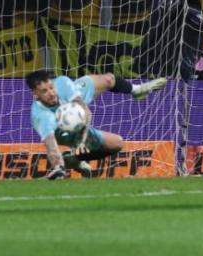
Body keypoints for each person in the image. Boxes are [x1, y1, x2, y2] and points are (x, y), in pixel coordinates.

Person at [25, 69, 167, 179]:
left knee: (108, 79)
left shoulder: (62, 83)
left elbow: (84, 109)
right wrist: (58, 166)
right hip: (63, 133)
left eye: (51, 87)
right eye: (44, 91)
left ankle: (137, 90)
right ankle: (71, 159)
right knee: (117, 143)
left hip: (77, 111)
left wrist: (83, 137)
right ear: (35, 94)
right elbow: (51, 145)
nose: (50, 93)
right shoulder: (41, 116)